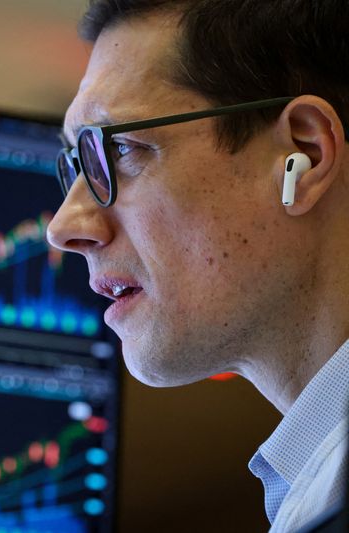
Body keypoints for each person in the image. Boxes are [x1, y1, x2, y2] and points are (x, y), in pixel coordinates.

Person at [45, 1, 349, 531]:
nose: (65, 225)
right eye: (76, 161)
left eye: (118, 152)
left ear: (304, 157)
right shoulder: (314, 482)